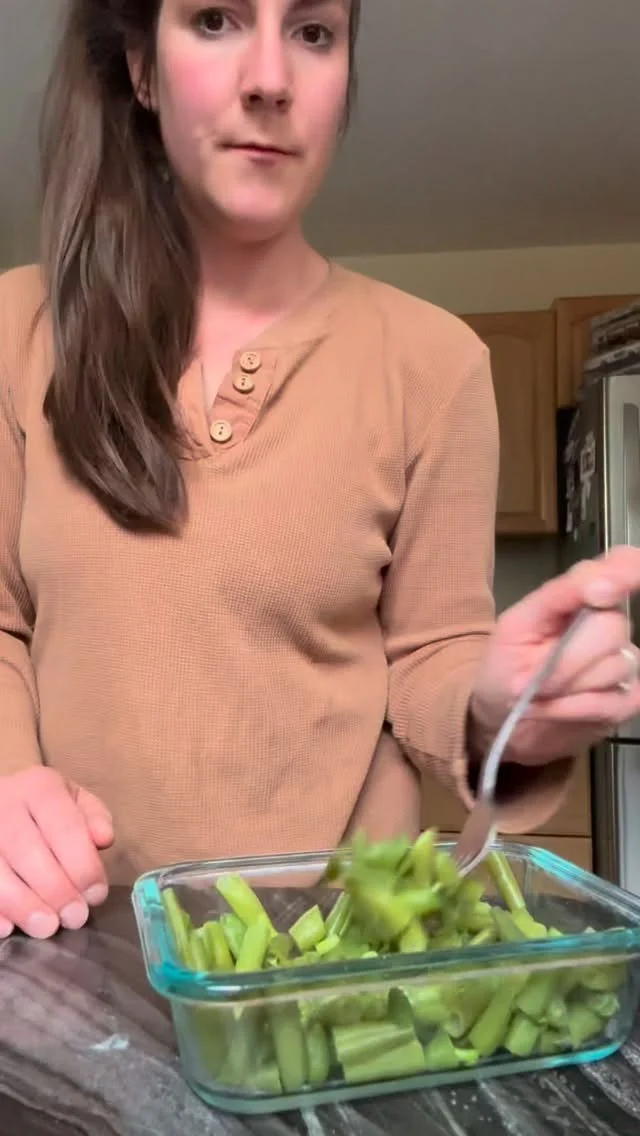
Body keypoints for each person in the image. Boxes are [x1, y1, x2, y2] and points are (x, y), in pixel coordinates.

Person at [0, 0, 639, 943]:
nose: (271, 78)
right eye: (215, 20)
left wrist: (499, 709)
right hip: (68, 943)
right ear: (140, 68)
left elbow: (431, 653)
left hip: (336, 958)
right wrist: (9, 779)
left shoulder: (436, 363)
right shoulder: (16, 330)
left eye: (313, 32)